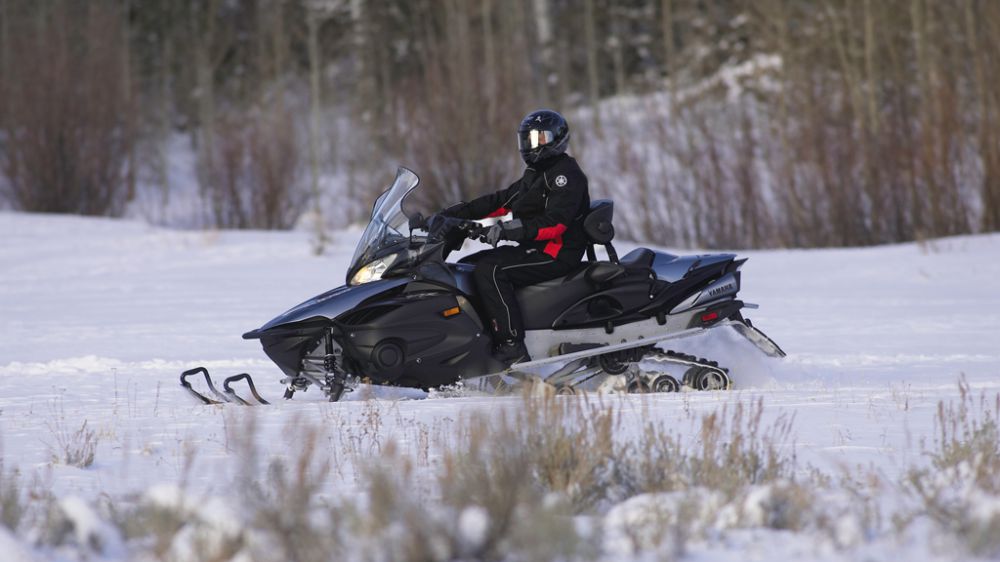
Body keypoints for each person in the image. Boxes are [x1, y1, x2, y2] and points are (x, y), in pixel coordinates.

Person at [444, 109, 590, 364]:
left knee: (490, 270)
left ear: (557, 138)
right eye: (527, 139)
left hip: (556, 253)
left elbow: (555, 224)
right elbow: (501, 201)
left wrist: (509, 229)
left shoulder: (565, 176)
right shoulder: (536, 174)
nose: (531, 146)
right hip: (536, 248)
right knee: (470, 265)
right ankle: (479, 336)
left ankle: (511, 343)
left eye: (538, 138)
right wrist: (452, 214)